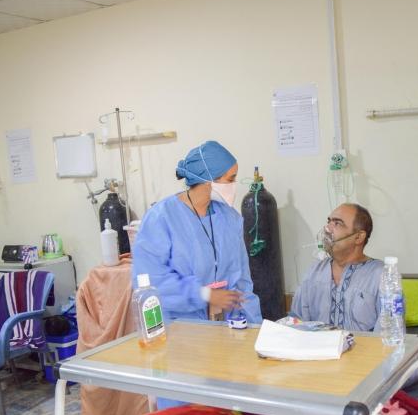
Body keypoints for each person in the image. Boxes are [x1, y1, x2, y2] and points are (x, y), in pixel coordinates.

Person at [132, 140, 261, 326]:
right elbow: (152, 282)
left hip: (226, 326)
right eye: (230, 179)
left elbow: (242, 283)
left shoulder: (229, 218)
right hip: (179, 328)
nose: (234, 185)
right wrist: (205, 295)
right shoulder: (161, 219)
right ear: (209, 180)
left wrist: (255, 328)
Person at [290, 203, 383, 332]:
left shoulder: (380, 275)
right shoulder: (314, 271)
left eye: (337, 223)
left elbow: (387, 336)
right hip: (318, 351)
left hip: (364, 351)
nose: (327, 229)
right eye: (329, 222)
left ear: (358, 237)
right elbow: (296, 323)